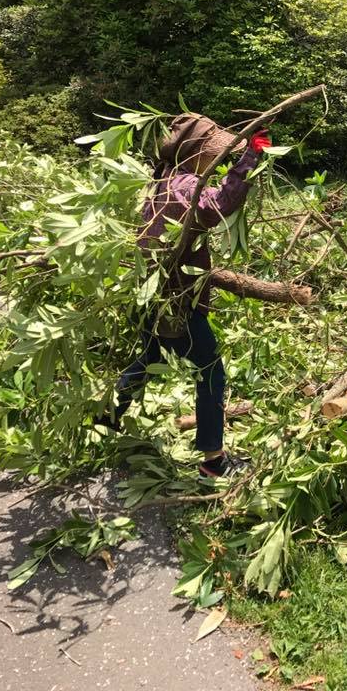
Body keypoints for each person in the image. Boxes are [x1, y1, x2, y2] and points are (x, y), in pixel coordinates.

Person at [95, 113, 271, 478]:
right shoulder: (184, 186)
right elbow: (217, 207)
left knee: (147, 356)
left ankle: (105, 417)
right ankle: (214, 461)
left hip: (151, 293)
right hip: (176, 297)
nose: (216, 159)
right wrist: (249, 159)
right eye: (213, 153)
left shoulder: (161, 180)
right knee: (210, 372)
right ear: (196, 153)